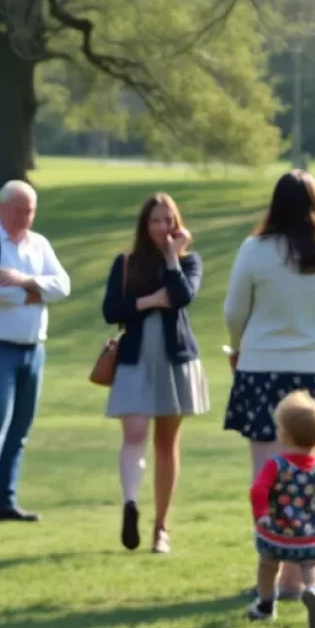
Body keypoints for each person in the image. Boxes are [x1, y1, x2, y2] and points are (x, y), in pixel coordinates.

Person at [222, 171, 315, 595]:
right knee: (308, 477)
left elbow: (233, 312)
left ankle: (273, 572)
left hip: (262, 368)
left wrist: (238, 347)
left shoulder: (255, 249)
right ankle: (300, 576)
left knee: (267, 476)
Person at [102, 193, 208, 555]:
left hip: (175, 361)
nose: (163, 227)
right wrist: (149, 301)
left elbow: (181, 296)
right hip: (134, 359)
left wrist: (171, 256)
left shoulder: (189, 262)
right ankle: (131, 503)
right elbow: (110, 309)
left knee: (166, 443)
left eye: (168, 220)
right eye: (156, 221)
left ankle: (161, 527)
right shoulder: (126, 263)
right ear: (144, 226)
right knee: (134, 431)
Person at [0, 181, 71, 529]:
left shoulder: (38, 244)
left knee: (20, 430)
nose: (26, 217)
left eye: (31, 211)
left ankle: (5, 500)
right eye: (19, 210)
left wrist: (25, 281)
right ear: (1, 209)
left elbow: (63, 286)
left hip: (32, 347)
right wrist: (37, 291)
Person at [248, 391, 315, 628]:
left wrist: (262, 514)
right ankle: (313, 590)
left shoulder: (276, 464)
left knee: (268, 565)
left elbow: (258, 489)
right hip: (309, 536)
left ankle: (265, 604)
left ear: (283, 435)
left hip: (276, 533)